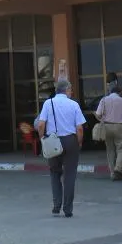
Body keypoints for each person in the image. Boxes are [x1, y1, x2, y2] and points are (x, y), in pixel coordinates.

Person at [37, 80, 86, 218]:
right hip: (70, 140)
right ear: (67, 89)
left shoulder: (48, 103)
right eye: (70, 90)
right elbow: (80, 128)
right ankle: (68, 209)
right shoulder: (74, 104)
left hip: (53, 141)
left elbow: (41, 125)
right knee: (70, 175)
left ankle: (56, 206)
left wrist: (43, 140)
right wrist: (79, 142)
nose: (71, 92)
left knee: (54, 173)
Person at [96, 85, 122, 181]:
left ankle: (112, 173)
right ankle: (117, 169)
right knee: (121, 149)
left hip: (107, 126)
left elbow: (98, 114)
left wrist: (103, 119)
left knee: (110, 150)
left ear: (111, 92)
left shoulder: (104, 100)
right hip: (119, 126)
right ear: (119, 92)